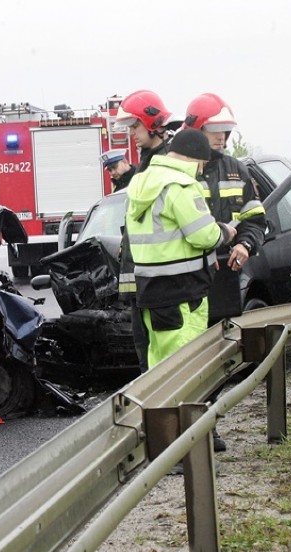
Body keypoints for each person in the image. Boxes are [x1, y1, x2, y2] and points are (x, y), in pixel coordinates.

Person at [183, 93, 266, 452]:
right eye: (216, 130)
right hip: (188, 276)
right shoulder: (180, 169)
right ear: (197, 129)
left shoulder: (237, 169)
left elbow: (256, 219)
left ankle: (210, 426)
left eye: (227, 131)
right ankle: (193, 428)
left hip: (224, 279)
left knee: (218, 354)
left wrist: (245, 245)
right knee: (188, 354)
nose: (222, 138)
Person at [124, 127, 236, 368]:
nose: (202, 170)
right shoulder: (181, 185)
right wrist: (225, 232)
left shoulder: (142, 182)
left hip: (151, 290)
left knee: (160, 364)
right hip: (183, 292)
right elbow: (203, 235)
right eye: (202, 164)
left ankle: (158, 406)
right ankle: (184, 407)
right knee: (185, 367)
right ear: (193, 157)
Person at [113, 90, 182, 373]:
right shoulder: (147, 160)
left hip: (165, 284)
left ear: (152, 123)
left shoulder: (168, 160)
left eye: (135, 126)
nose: (131, 133)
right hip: (144, 284)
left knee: (165, 363)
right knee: (148, 359)